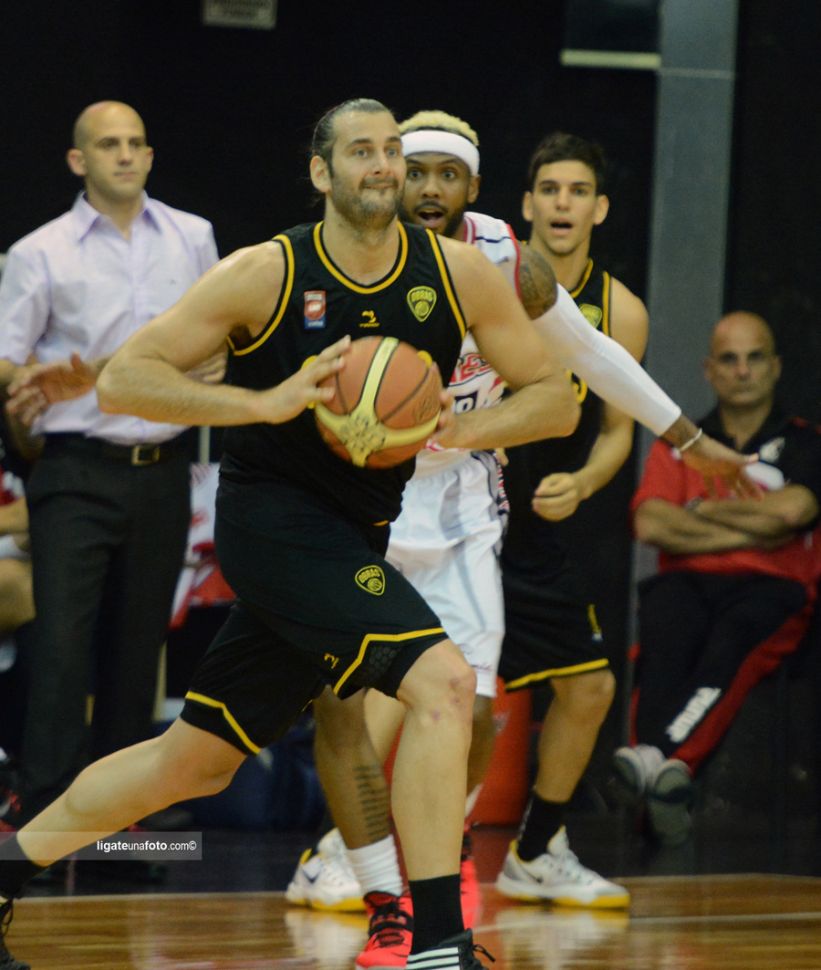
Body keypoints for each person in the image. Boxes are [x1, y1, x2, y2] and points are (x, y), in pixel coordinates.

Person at [0, 97, 582, 970]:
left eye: (392, 150)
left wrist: (454, 429)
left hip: (354, 532)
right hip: (272, 522)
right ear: (321, 171)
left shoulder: (457, 272)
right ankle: (438, 944)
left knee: (190, 764)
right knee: (444, 682)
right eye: (361, 151)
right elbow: (125, 380)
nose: (383, 166)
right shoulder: (265, 272)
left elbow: (555, 398)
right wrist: (262, 402)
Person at [283, 111, 758, 969]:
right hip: (364, 502)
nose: (429, 188)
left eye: (447, 174)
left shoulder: (504, 258)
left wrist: (688, 439)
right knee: (352, 705)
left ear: (473, 187)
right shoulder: (348, 251)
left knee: (470, 712)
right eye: (414, 170)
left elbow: (591, 355)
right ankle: (350, 862)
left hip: (463, 504)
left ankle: (431, 885)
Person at [0, 101, 219, 842]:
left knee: (137, 649)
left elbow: (222, 337)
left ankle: (123, 824)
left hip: (162, 468)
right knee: (62, 645)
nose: (124, 155)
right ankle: (43, 817)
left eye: (135, 143)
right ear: (78, 160)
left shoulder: (193, 236)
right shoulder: (40, 250)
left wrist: (213, 363)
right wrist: (38, 376)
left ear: (150, 155)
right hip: (74, 468)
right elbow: (7, 359)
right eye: (108, 144)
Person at [494, 131, 647, 905]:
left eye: (577, 191)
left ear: (599, 208)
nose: (562, 204)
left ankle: (534, 850)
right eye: (549, 189)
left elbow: (619, 430)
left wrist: (583, 482)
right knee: (428, 694)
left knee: (588, 690)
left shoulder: (619, 310)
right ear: (526, 204)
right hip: (462, 513)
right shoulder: (484, 279)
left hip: (538, 529)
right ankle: (347, 845)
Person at [614, 311, 821, 845]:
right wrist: (755, 529)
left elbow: (792, 513)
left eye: (755, 358)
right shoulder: (682, 443)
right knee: (663, 628)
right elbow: (650, 522)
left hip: (773, 592)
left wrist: (701, 511)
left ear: (775, 367)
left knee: (731, 640)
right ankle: (665, 772)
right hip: (687, 584)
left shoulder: (807, 442)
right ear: (709, 370)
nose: (742, 371)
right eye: (729, 359)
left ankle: (659, 757)